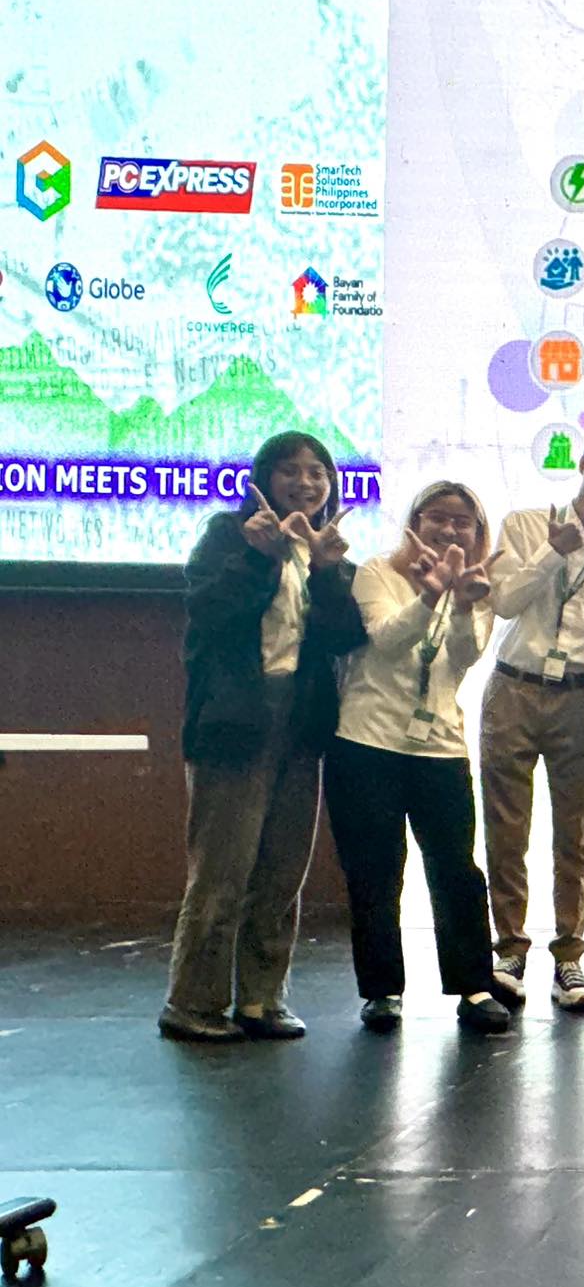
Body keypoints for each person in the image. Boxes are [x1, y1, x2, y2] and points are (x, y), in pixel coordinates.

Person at [159, 432, 365, 1042]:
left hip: (300, 726)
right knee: (223, 872)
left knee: (281, 872)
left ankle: (261, 999)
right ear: (264, 478)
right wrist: (258, 557)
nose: (305, 482)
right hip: (235, 725)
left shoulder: (323, 551)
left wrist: (325, 572)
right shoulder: (230, 535)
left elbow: (343, 638)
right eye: (290, 470)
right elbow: (211, 613)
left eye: (318, 472)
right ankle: (193, 1003)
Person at [327, 482, 512, 1035]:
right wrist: (428, 596)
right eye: (438, 517)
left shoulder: (478, 586)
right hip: (367, 742)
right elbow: (386, 639)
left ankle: (474, 986)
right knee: (375, 872)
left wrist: (462, 603)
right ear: (415, 521)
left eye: (463, 522)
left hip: (440, 749)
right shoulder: (377, 573)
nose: (450, 529)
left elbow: (463, 657)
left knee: (456, 871)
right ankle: (382, 991)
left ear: (477, 533)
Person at [480, 429, 584, 1016]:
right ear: (583, 463)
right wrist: (552, 552)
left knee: (575, 833)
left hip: (579, 699)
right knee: (506, 826)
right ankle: (509, 949)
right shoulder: (525, 524)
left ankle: (569, 956)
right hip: (513, 686)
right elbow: (505, 602)